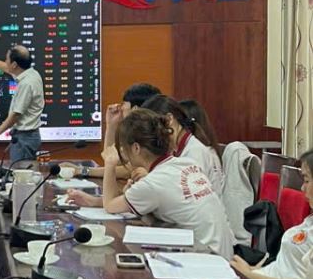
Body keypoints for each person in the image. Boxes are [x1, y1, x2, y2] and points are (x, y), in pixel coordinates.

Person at [98, 110, 233, 257]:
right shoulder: (186, 163)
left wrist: (110, 163)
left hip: (206, 259)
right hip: (223, 254)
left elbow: (110, 205)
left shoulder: (153, 182)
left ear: (136, 148)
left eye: (124, 148)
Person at [230, 150, 313, 279]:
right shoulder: (309, 221)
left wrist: (250, 276)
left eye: (306, 180)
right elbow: (282, 267)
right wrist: (251, 270)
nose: (302, 188)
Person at [0, 44, 45, 164]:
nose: (5, 62)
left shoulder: (26, 84)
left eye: (7, 59)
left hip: (24, 140)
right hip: (28, 137)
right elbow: (7, 68)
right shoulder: (31, 74)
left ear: (14, 64)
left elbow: (15, 115)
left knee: (21, 173)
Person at [142, 94, 224, 194]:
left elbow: (188, 196)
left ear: (169, 119)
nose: (152, 136)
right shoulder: (178, 149)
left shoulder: (195, 152)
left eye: (153, 129)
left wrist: (151, 180)